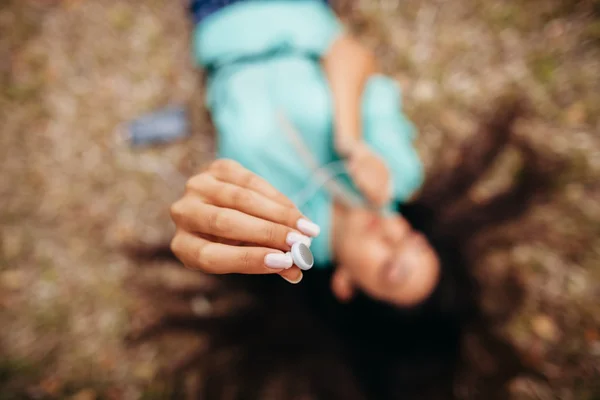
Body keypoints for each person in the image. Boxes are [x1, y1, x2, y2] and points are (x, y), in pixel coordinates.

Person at [172, 0, 438, 307]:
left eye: (390, 267)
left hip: (216, 21)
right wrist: (351, 141)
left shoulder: (275, 238)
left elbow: (202, 208)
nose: (392, 238)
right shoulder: (397, 174)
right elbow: (347, 51)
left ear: (345, 284)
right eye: (411, 239)